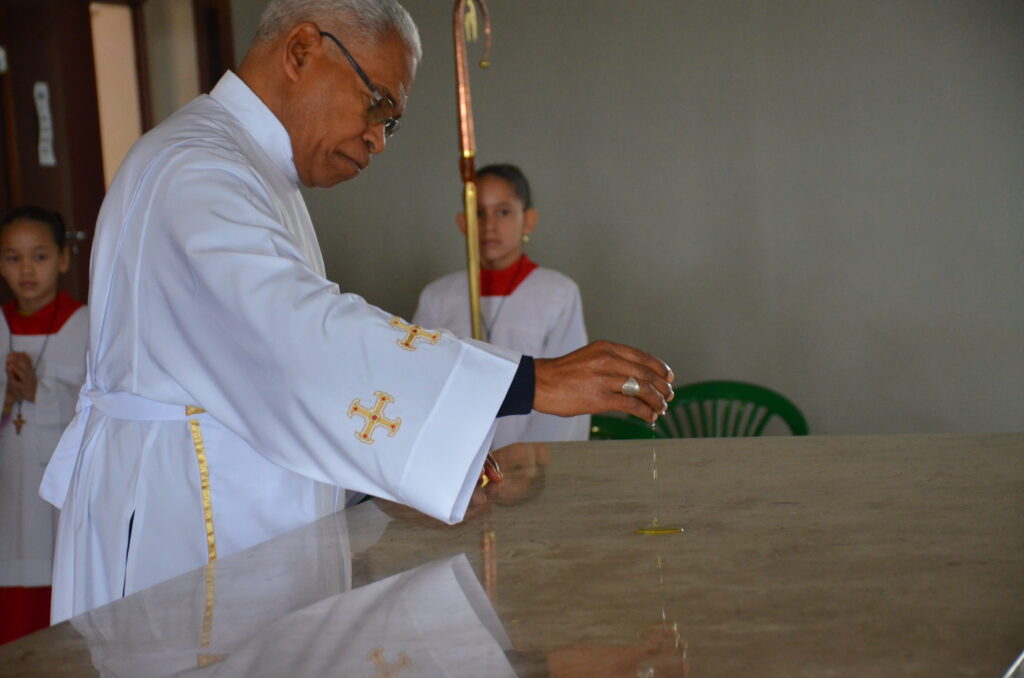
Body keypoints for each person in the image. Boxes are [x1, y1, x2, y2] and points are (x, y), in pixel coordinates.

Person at [42, 0, 674, 623]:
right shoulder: (198, 167)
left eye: (390, 123)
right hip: (180, 533)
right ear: (301, 51)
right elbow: (301, 341)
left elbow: (267, 377)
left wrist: (382, 480)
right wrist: (533, 381)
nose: (377, 138)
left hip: (234, 520)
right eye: (378, 105)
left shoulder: (251, 170)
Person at [414, 163, 590, 449]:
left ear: (528, 220)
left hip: (532, 463)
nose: (489, 225)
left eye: (503, 212)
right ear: (462, 223)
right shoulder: (438, 297)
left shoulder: (557, 293)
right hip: (456, 456)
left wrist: (531, 461)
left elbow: (567, 389)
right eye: (478, 213)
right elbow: (425, 383)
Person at [0, 206, 88, 642]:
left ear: (63, 259)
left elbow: (94, 407)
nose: (26, 270)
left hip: (58, 485)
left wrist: (38, 389)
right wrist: (7, 396)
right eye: (12, 258)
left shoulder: (85, 323)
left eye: (39, 256)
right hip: (8, 484)